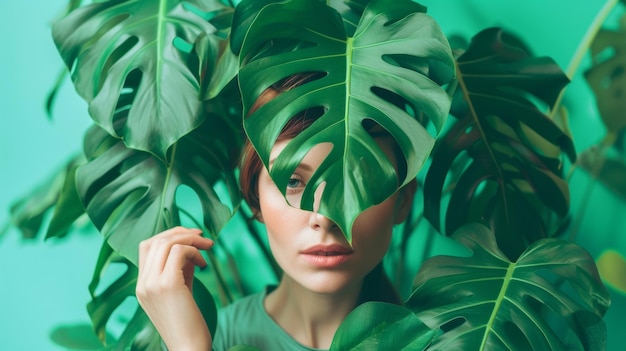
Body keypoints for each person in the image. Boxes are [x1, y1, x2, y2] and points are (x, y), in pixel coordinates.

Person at [135, 74, 417, 350]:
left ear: (403, 200)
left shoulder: (442, 341)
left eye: (358, 181)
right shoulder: (212, 338)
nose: (325, 218)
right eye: (293, 182)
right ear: (255, 200)